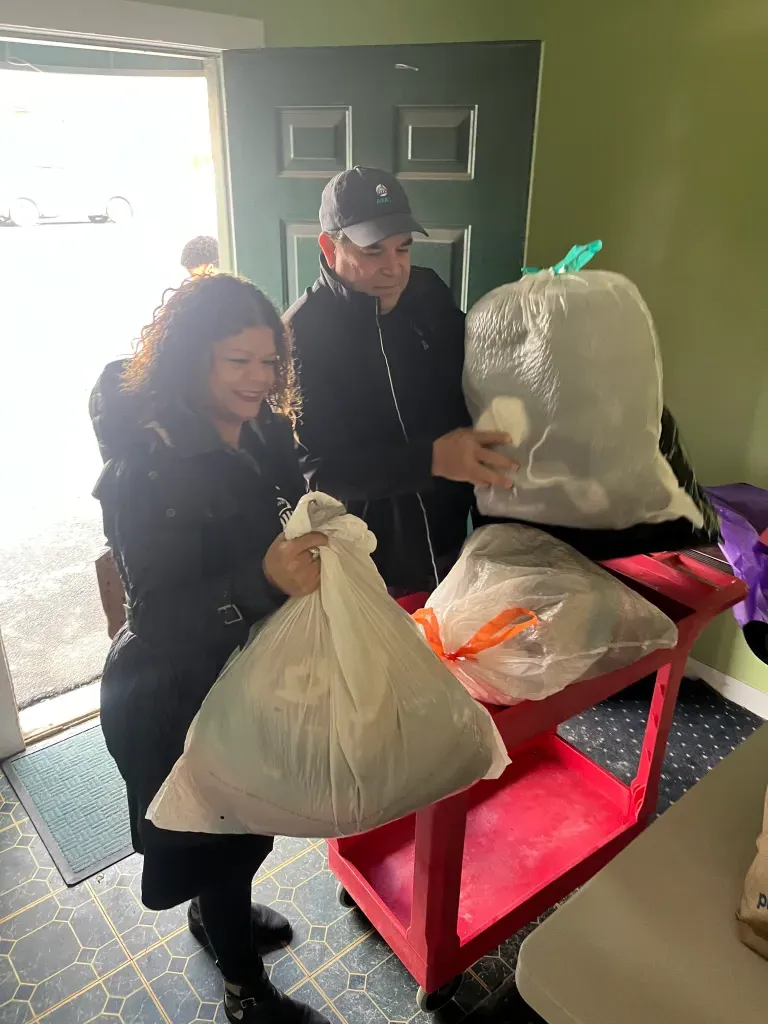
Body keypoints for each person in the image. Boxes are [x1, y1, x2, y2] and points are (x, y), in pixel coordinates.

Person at [91, 274, 329, 1024]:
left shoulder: (262, 431)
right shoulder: (146, 468)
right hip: (173, 691)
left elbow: (289, 506)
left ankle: (214, 913)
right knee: (218, 841)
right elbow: (157, 616)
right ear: (194, 360)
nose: (260, 379)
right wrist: (262, 580)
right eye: (239, 362)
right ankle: (245, 992)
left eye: (269, 361)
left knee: (243, 831)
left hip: (241, 673)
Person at [286, 166, 515, 595]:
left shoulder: (427, 292)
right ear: (329, 247)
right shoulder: (300, 337)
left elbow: (477, 369)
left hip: (455, 537)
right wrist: (431, 460)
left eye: (403, 249)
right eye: (373, 251)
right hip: (370, 560)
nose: (393, 268)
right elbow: (319, 473)